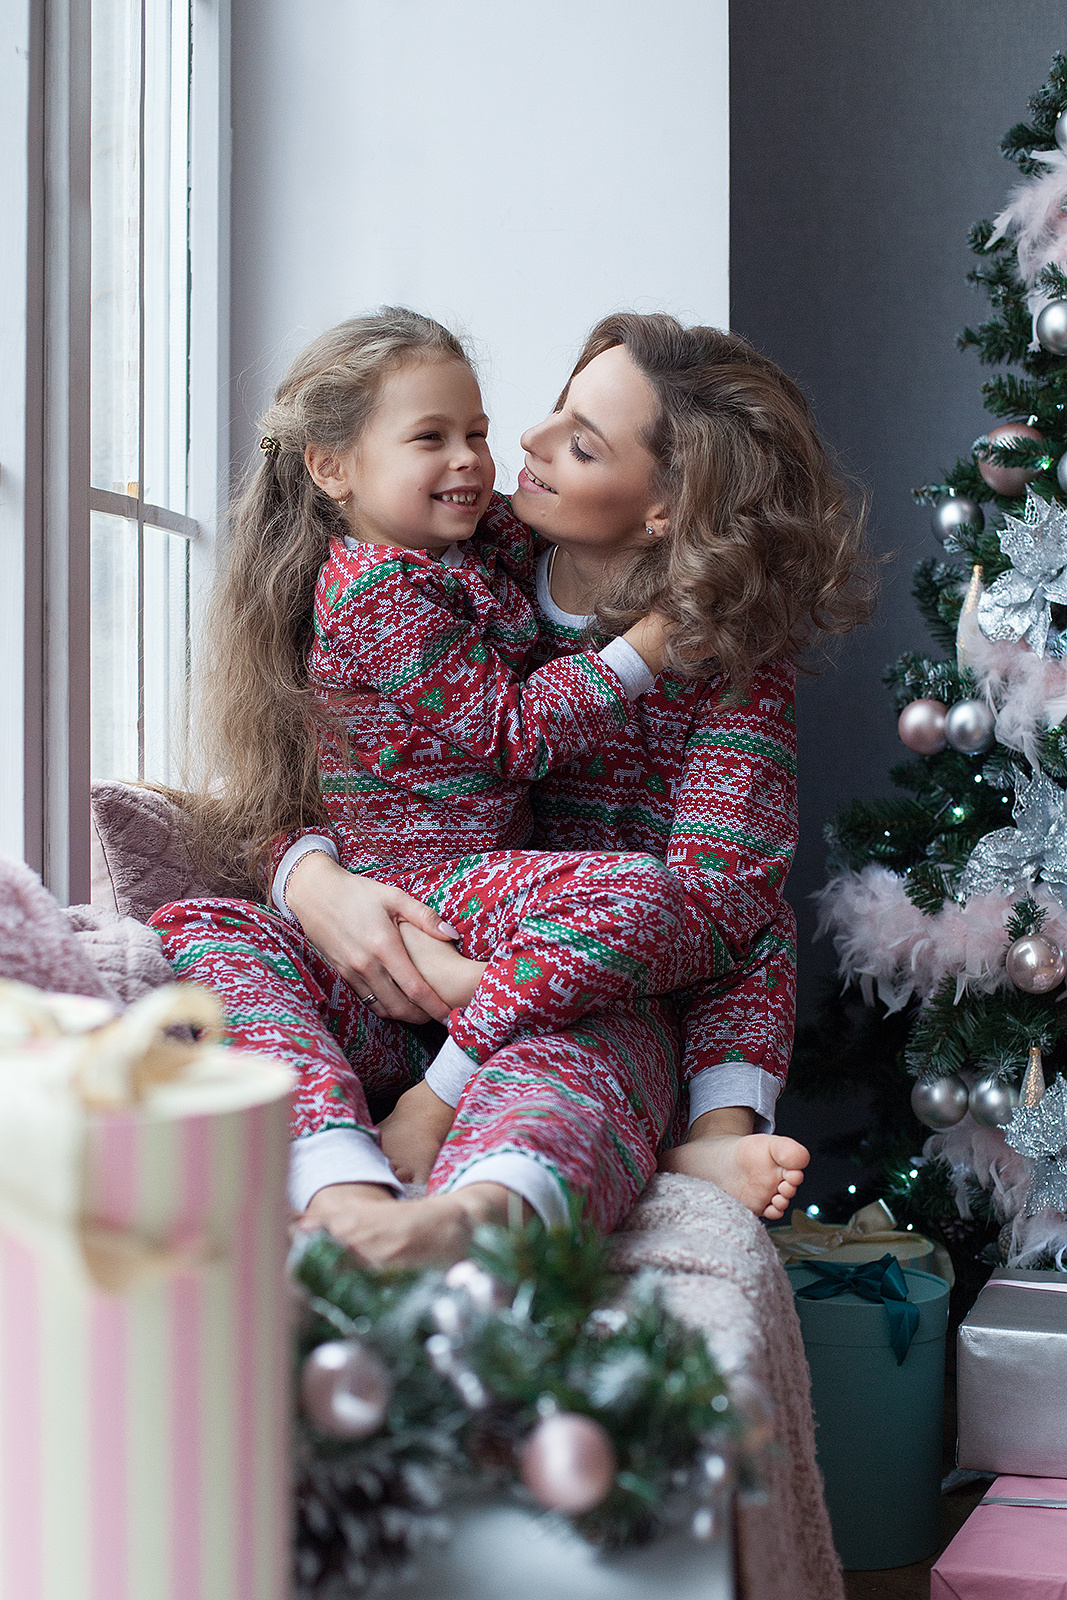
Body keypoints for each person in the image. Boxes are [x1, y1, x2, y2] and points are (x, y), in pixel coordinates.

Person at [152, 309, 870, 1265]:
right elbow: (308, 771)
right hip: (405, 945)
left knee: (581, 1052)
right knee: (205, 933)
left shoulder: (728, 663)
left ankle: (469, 1212)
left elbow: (716, 910)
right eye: (549, 413)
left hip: (574, 994)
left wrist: (488, 1015)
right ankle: (327, 1171)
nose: (520, 445)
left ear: (666, 504)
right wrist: (319, 890)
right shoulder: (449, 548)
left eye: (577, 441)